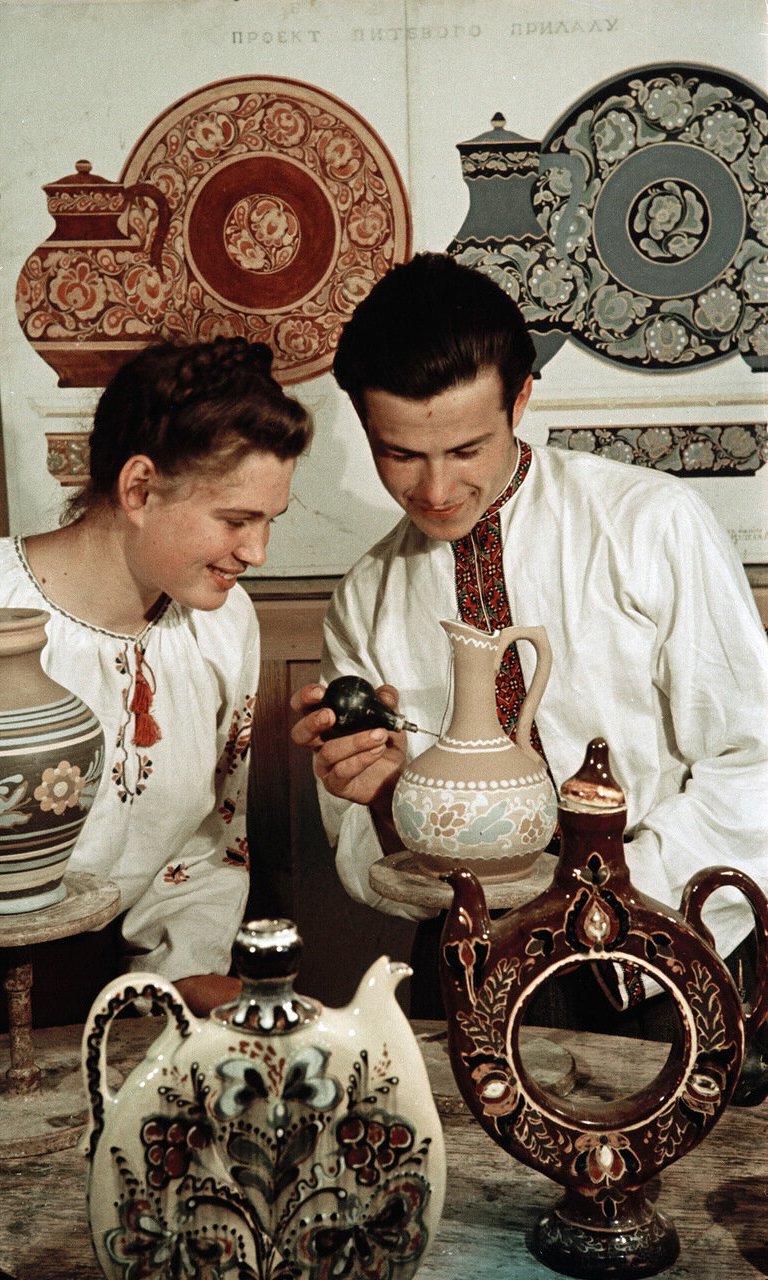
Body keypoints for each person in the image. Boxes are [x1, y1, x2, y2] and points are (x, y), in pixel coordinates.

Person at [291, 252, 768, 1047]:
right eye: (400, 455)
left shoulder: (650, 524)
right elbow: (367, 858)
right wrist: (373, 798)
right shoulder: (364, 598)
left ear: (520, 399)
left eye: (466, 449)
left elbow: (754, 759)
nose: (435, 490)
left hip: (674, 954)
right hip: (472, 969)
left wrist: (601, 896)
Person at [0, 337, 312, 1029]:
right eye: (235, 520)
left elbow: (205, 845)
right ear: (138, 488)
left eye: (267, 522)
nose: (256, 553)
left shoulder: (222, 627)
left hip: (106, 1000)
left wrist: (182, 980)